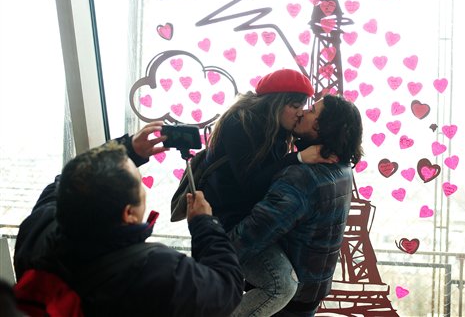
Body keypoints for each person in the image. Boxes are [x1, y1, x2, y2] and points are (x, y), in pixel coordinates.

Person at [13, 121, 244, 317]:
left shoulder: (36, 228)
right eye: (140, 185)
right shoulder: (157, 271)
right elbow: (226, 287)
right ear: (129, 214)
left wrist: (129, 149)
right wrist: (205, 224)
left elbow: (67, 179)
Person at [202, 69, 337, 315]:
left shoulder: (275, 128)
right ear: (276, 102)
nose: (300, 112)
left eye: (305, 107)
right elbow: (252, 184)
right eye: (296, 105)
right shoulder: (240, 123)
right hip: (226, 222)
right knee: (281, 286)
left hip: (250, 217)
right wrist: (297, 158)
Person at [229, 95, 364, 317]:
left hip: (283, 302)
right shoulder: (342, 169)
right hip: (310, 295)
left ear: (324, 127)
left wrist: (211, 258)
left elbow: (252, 234)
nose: (302, 112)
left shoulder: (302, 177)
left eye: (312, 110)